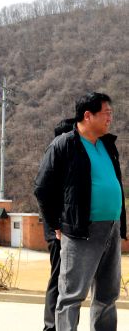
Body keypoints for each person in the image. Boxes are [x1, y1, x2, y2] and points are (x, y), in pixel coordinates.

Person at [35, 92, 125, 331]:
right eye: (106, 114)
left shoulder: (107, 144)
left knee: (107, 294)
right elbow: (42, 188)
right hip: (81, 229)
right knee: (72, 295)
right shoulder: (65, 144)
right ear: (88, 115)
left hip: (111, 227)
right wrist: (57, 224)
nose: (110, 119)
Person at [40, 118, 75, 331]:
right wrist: (55, 226)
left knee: (65, 279)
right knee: (59, 277)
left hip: (64, 228)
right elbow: (42, 193)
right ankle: (50, 326)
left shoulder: (65, 160)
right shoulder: (56, 159)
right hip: (58, 231)